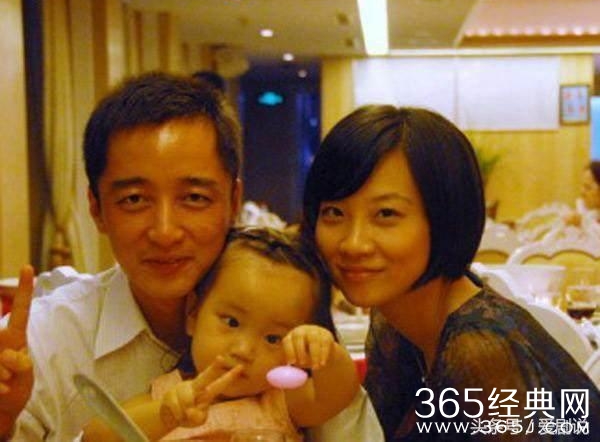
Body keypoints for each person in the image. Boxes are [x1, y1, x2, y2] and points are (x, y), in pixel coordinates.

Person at [0, 72, 383, 441]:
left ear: (233, 200)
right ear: (96, 208)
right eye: (134, 199)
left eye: (194, 198)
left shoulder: (288, 333)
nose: (165, 231)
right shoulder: (42, 342)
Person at [301, 105, 600, 441]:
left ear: (444, 218)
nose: (354, 244)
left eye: (386, 214)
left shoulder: (481, 354)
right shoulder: (395, 318)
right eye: (334, 212)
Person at [83, 227, 359, 441]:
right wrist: (165, 415)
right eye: (232, 322)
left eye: (273, 339)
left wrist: (325, 351)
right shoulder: (168, 394)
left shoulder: (281, 401)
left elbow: (338, 394)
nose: (243, 350)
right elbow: (96, 436)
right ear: (193, 313)